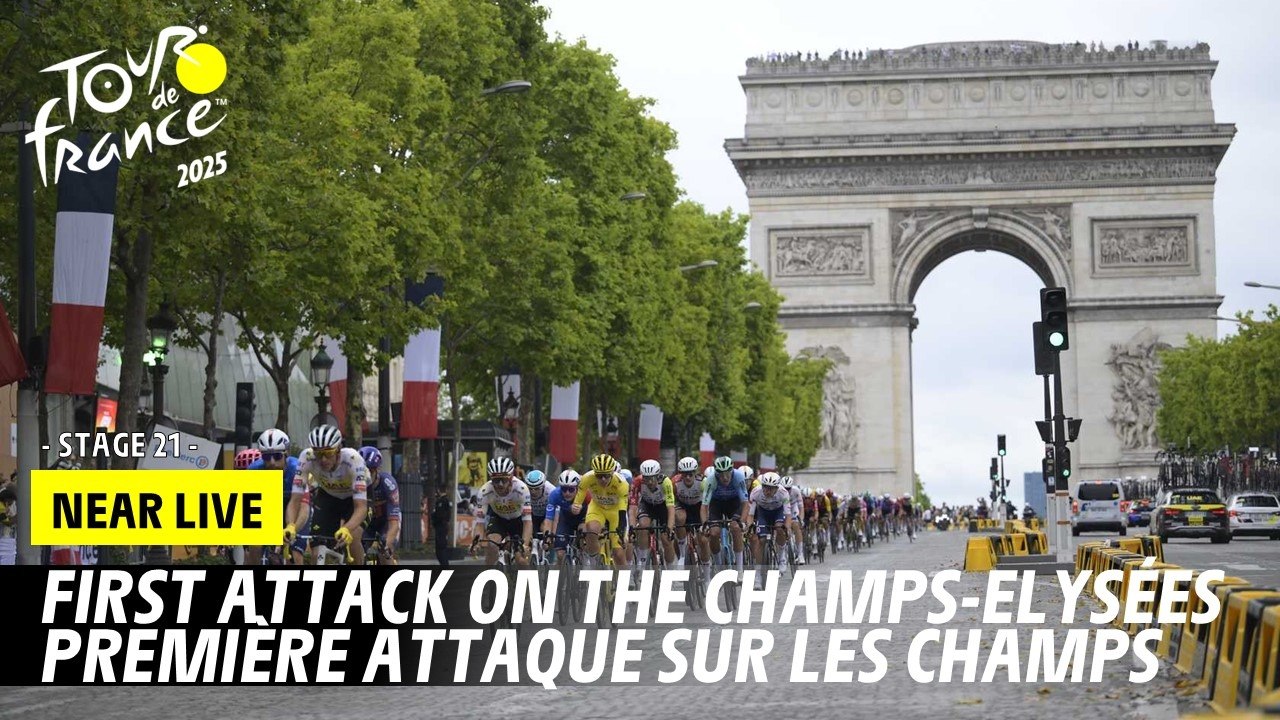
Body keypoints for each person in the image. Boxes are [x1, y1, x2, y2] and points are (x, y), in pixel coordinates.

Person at [285, 425, 370, 564]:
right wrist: (291, 525)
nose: (323, 459)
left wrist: (346, 529)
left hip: (355, 499)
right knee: (318, 550)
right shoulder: (306, 457)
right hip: (329, 495)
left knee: (353, 537)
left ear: (338, 450)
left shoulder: (353, 459)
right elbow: (295, 500)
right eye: (318, 454)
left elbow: (361, 508)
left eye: (328, 453)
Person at [248, 428, 306, 564]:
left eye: (277, 456)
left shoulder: (298, 469)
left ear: (287, 454)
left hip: (296, 506)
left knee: (296, 553)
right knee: (254, 546)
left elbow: (303, 506)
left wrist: (292, 528)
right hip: (269, 505)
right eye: (267, 457)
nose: (272, 462)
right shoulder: (253, 471)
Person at [574, 454, 630, 569]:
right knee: (592, 530)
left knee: (618, 553)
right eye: (599, 476)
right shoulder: (587, 478)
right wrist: (576, 505)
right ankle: (594, 563)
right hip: (597, 508)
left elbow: (623, 510)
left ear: (612, 473)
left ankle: (625, 582)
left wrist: (621, 529)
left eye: (606, 475)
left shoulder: (621, 483)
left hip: (616, 512)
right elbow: (581, 493)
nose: (603, 479)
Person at [478, 456, 532, 565]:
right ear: (491, 478)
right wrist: (477, 542)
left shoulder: (521, 489)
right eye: (496, 480)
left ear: (511, 477)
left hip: (518, 521)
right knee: (492, 546)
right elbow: (479, 522)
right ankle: (488, 577)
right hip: (499, 519)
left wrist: (525, 545)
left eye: (504, 479)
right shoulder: (485, 491)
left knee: (521, 559)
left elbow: (527, 521)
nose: (500, 484)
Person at [701, 455, 747, 572]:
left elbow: (745, 504)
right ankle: (718, 566)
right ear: (716, 473)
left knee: (735, 527)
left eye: (727, 473)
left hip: (734, 503)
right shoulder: (710, 479)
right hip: (717, 504)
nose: (725, 478)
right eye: (721, 474)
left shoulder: (738, 476)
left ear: (732, 471)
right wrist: (704, 524)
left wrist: (742, 522)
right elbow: (704, 506)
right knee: (714, 533)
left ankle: (739, 569)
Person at [629, 459, 676, 568]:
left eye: (652, 478)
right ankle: (643, 560)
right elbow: (632, 508)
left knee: (666, 539)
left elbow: (671, 507)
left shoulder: (666, 482)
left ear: (658, 476)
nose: (649, 482)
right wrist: (632, 527)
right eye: (646, 478)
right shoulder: (637, 482)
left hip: (663, 506)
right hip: (647, 505)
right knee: (643, 526)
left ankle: (670, 568)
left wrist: (670, 528)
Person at [359, 446, 401, 564]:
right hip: (368, 521)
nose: (366, 476)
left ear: (377, 470)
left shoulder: (388, 484)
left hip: (386, 521)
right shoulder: (355, 484)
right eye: (363, 471)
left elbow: (394, 524)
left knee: (384, 550)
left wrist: (386, 545)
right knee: (356, 549)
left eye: (370, 471)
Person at [544, 469, 587, 561]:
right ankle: (560, 575)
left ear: (577, 487)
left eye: (571, 489)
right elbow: (549, 519)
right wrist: (547, 537)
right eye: (564, 489)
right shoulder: (555, 494)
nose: (567, 493)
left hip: (583, 518)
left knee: (583, 539)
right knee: (560, 554)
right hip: (566, 520)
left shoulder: (586, 493)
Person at [431, 491, 452, 566]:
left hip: (441, 526)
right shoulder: (445, 501)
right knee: (440, 548)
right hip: (441, 526)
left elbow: (440, 515)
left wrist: (434, 518)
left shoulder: (442, 501)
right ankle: (444, 565)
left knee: (441, 547)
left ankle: (444, 565)